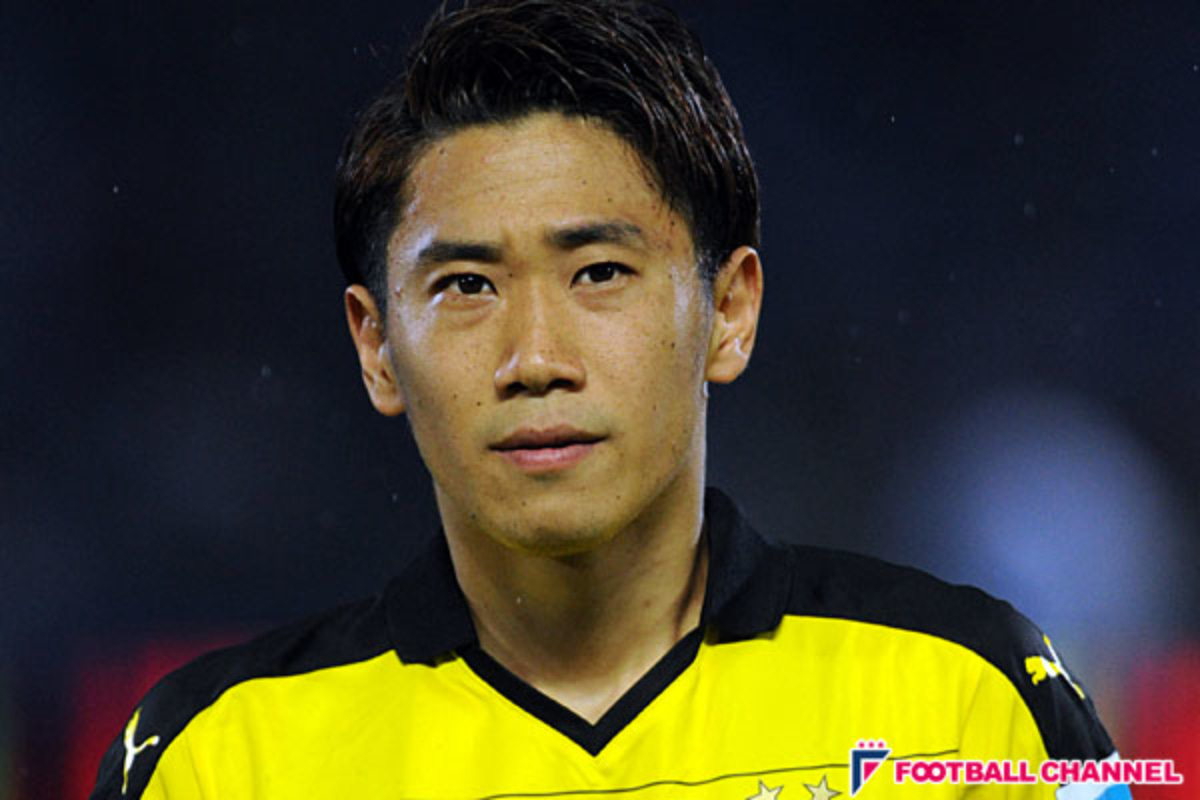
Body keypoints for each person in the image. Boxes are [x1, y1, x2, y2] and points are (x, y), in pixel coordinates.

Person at [90, 1, 1126, 798]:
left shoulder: (968, 701)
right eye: (467, 286)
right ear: (376, 346)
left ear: (729, 312)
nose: (535, 358)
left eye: (599, 272)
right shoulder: (222, 760)